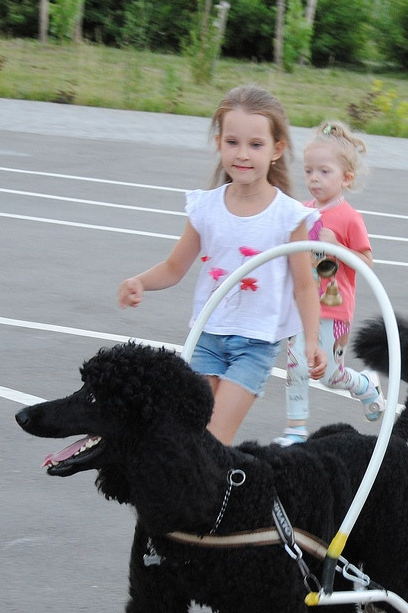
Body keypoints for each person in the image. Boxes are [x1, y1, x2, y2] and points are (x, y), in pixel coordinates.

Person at [117, 84, 326, 445]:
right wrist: (140, 282)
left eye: (255, 145)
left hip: (255, 344)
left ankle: (217, 499)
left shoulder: (287, 216)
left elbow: (305, 286)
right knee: (189, 432)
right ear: (219, 143)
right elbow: (174, 266)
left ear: (276, 150)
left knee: (213, 439)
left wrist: (311, 341)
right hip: (207, 337)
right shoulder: (205, 207)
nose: (242, 154)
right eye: (233, 142)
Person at [274, 120, 384, 447]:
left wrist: (338, 247)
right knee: (297, 365)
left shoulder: (349, 218)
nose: (314, 179)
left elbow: (366, 264)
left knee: (331, 374)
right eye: (309, 171)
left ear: (346, 178)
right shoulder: (301, 211)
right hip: (302, 307)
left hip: (335, 310)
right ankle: (295, 430)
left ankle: (365, 385)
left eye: (324, 172)